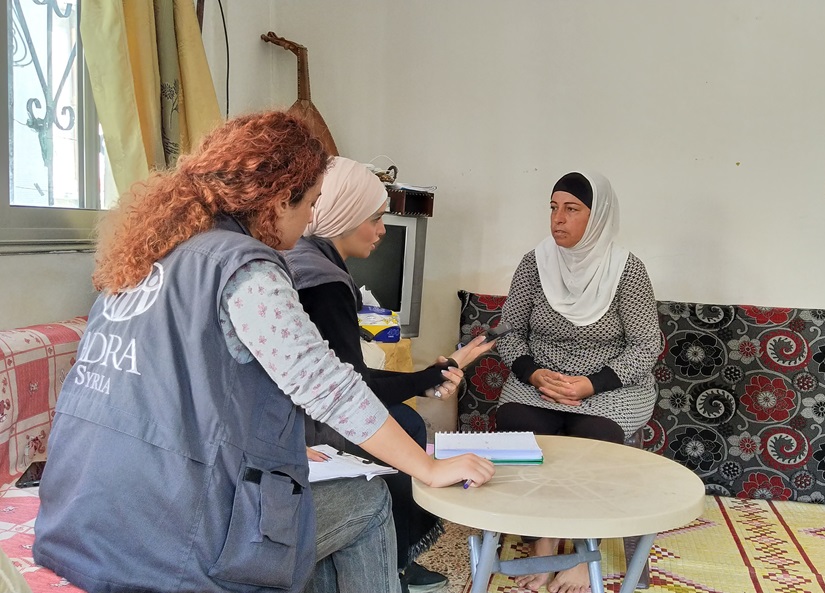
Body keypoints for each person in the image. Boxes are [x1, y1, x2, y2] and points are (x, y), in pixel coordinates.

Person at [32, 111, 495, 593]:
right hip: (171, 543)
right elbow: (328, 387)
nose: (311, 219)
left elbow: (185, 395)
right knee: (370, 502)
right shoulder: (245, 269)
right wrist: (429, 466)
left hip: (81, 520)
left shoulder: (144, 257)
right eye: (310, 203)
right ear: (278, 199)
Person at [284, 156, 495, 593]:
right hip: (303, 424)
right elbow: (353, 390)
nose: (382, 230)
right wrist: (436, 373)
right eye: (376, 219)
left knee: (405, 414)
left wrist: (432, 375)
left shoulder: (309, 260)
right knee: (406, 422)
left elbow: (347, 377)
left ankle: (391, 556)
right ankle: (394, 561)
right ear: (343, 215)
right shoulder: (322, 283)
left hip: (301, 410)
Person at [495, 170, 662, 593]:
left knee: (593, 435)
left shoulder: (627, 270)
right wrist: (532, 373)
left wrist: (591, 385)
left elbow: (646, 347)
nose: (558, 219)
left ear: (598, 215)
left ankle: (584, 550)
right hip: (541, 379)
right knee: (520, 424)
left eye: (572, 209)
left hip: (610, 385)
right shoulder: (535, 262)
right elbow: (510, 333)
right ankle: (546, 544)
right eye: (553, 208)